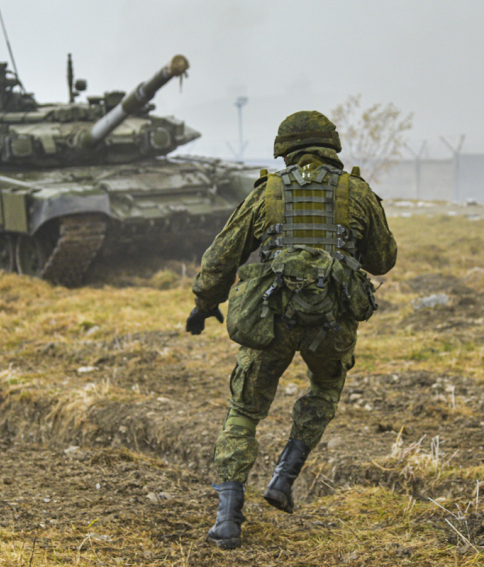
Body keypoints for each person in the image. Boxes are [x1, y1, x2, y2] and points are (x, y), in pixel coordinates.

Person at [185, 110, 397, 550]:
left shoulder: (268, 193)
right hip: (331, 322)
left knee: (244, 412)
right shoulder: (356, 193)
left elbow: (220, 259)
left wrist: (205, 305)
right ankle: (285, 476)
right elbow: (383, 260)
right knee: (323, 386)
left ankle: (227, 520)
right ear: (331, 147)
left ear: (285, 148)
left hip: (271, 321)